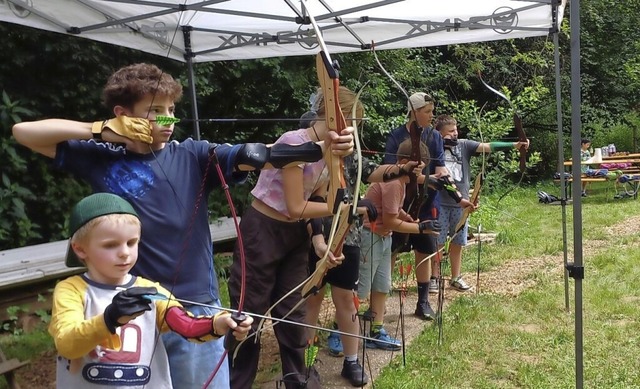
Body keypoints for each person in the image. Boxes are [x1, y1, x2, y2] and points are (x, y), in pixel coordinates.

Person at [12, 63, 354, 389]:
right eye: (155, 109)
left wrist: (324, 147)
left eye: (173, 109)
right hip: (132, 308)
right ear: (122, 114)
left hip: (195, 305)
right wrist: (100, 130)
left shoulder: (193, 154)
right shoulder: (101, 156)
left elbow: (262, 154)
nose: (168, 118)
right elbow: (23, 132)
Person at [228, 85, 417, 389]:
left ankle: (298, 380)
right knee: (248, 315)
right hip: (262, 232)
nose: (353, 131)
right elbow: (295, 205)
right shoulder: (294, 142)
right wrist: (346, 206)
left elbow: (314, 200)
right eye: (351, 122)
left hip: (295, 237)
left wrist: (319, 241)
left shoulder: (333, 153)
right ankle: (237, 382)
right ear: (333, 116)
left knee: (293, 313)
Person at [49, 192, 253, 389]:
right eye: (110, 245)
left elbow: (187, 325)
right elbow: (67, 343)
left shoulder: (149, 290)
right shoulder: (70, 290)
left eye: (131, 243)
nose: (124, 253)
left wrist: (220, 323)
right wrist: (109, 319)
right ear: (80, 249)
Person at [304, 117, 426, 386]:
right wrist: (320, 239)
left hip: (350, 236)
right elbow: (312, 198)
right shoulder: (313, 155)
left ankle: (351, 361)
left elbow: (376, 172)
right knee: (313, 300)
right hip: (316, 235)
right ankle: (307, 363)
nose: (350, 130)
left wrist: (403, 167)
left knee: (347, 301)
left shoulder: (351, 158)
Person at [383, 92, 471, 321]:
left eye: (432, 111)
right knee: (391, 250)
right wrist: (424, 179)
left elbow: (441, 170)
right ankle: (381, 301)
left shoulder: (434, 137)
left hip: (426, 204)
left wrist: (458, 197)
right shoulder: (396, 136)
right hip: (399, 203)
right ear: (414, 112)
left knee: (425, 251)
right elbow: (390, 171)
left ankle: (422, 302)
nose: (432, 116)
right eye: (427, 111)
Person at [359, 139, 441, 350]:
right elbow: (389, 221)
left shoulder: (402, 181)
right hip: (371, 236)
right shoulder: (394, 182)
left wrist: (411, 219)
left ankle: (376, 331)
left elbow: (394, 211)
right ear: (405, 162)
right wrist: (421, 228)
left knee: (382, 286)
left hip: (383, 238)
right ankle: (339, 331)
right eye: (418, 167)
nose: (420, 172)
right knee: (361, 290)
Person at [432, 115, 529, 291]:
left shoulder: (464, 145)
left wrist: (514, 145)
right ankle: (434, 277)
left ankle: (455, 277)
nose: (455, 134)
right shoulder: (433, 147)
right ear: (439, 134)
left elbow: (488, 146)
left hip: (461, 204)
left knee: (458, 242)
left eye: (456, 130)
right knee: (437, 241)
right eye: (450, 131)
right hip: (439, 202)